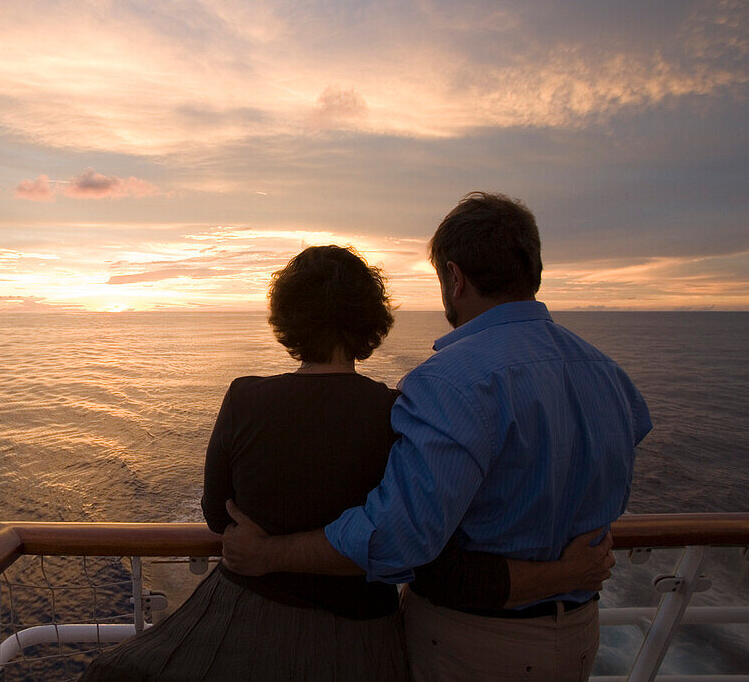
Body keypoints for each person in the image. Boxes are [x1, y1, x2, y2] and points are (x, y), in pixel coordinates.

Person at [83, 244, 611, 682]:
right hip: (360, 637)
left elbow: (218, 517)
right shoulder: (397, 410)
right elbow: (418, 536)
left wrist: (266, 543)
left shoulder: (244, 397)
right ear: (369, 320)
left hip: (245, 618)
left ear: (287, 319)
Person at [221, 193, 651, 681]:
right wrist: (566, 574)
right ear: (533, 270)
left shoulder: (450, 382)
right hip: (577, 637)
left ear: (454, 276)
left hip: (475, 646)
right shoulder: (610, 375)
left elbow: (399, 539)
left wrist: (268, 553)